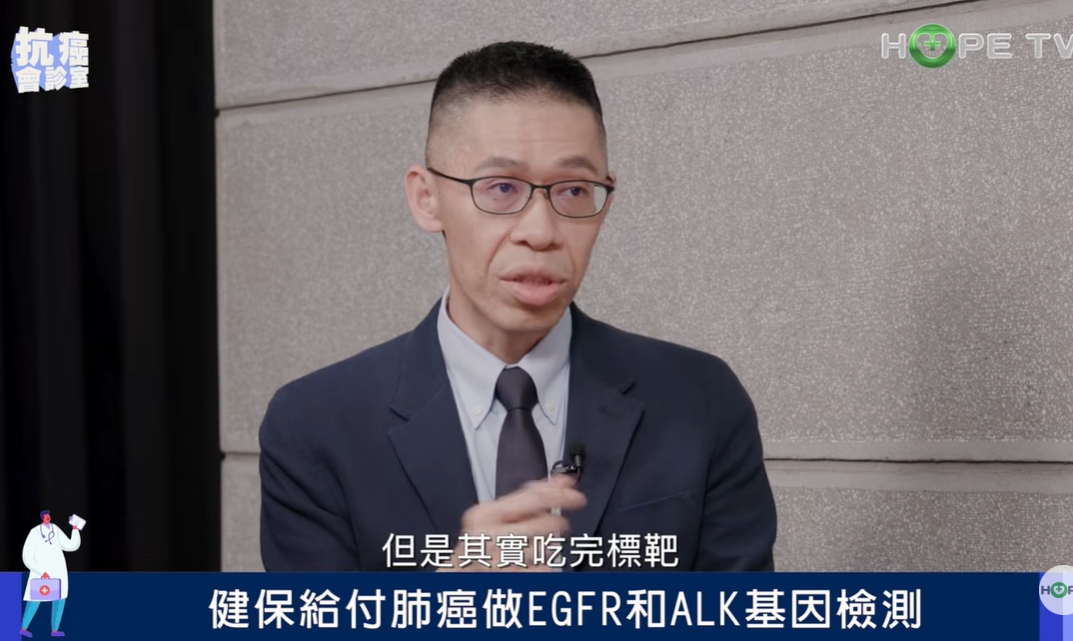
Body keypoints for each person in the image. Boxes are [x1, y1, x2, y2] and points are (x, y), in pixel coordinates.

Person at [259, 41, 776, 572]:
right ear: (427, 199)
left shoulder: (700, 399)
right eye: (502, 188)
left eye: (573, 191)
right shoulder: (314, 423)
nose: (541, 232)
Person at [21, 510, 81, 637]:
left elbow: (71, 545)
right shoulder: (34, 532)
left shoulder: (56, 530)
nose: (48, 518)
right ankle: (24, 628)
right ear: (42, 518)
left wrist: (75, 529)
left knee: (59, 599)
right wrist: (40, 571)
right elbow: (27, 555)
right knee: (35, 599)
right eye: (46, 517)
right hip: (42, 572)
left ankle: (55, 630)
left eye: (49, 517)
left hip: (58, 571)